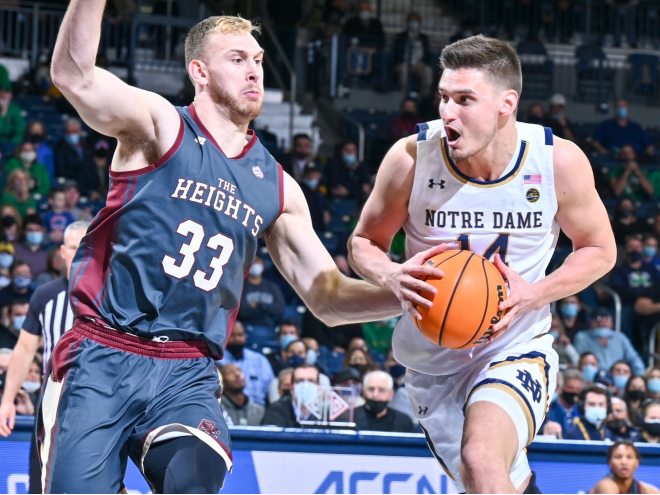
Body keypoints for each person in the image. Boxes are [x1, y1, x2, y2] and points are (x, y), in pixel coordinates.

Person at [25, 12, 401, 493]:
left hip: (187, 371)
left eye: (259, 61)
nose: (254, 71)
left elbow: (326, 297)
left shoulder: (279, 188)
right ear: (199, 72)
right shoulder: (160, 127)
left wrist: (404, 296)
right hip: (102, 353)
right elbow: (74, 75)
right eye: (238, 59)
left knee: (193, 483)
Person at [349, 34, 617, 494]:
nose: (447, 113)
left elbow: (599, 249)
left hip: (515, 346)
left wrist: (535, 292)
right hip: (433, 362)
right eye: (444, 98)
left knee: (481, 457)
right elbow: (363, 242)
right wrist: (391, 274)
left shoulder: (557, 161)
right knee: (490, 480)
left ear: (506, 103)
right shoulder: (411, 157)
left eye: (464, 100)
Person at [0, 222, 87, 493]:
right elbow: (25, 350)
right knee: (41, 484)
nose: (81, 252)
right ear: (62, 252)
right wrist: (7, 400)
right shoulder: (46, 295)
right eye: (74, 247)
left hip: (100, 404)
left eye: (86, 245)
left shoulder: (114, 295)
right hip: (51, 405)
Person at [218, 320, 275, 406]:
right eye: (232, 335)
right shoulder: (216, 360)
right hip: (227, 408)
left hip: (259, 411)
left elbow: (270, 392)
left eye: (240, 335)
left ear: (246, 336)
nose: (237, 339)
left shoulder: (259, 360)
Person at [573, 308, 645, 375]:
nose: (601, 322)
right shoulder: (582, 337)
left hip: (617, 378)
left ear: (611, 322)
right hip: (593, 378)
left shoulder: (620, 337)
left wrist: (640, 376)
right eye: (597, 319)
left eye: (605, 319)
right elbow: (578, 360)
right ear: (591, 321)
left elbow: (633, 358)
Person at [609, 236, 660, 331]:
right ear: (625, 250)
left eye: (638, 247)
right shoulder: (619, 271)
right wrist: (640, 295)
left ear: (642, 249)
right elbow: (618, 289)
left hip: (649, 303)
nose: (635, 250)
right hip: (628, 304)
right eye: (631, 247)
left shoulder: (651, 269)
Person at [237, 255, 286, 332]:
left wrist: (259, 305)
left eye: (258, 261)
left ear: (263, 264)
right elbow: (242, 311)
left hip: (270, 327)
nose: (255, 263)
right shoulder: (240, 286)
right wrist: (266, 309)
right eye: (253, 261)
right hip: (246, 328)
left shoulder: (272, 287)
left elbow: (280, 310)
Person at [590, 441, 660, 494]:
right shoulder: (606, 486)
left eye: (629, 457)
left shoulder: (647, 490)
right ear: (610, 463)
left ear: (637, 462)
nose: (624, 462)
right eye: (618, 457)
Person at [54, 118, 101, 196]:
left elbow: (92, 169)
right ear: (65, 133)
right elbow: (61, 171)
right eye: (69, 132)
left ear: (80, 132)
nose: (72, 135)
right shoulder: (60, 149)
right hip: (72, 187)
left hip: (91, 186)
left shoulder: (86, 147)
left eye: (75, 131)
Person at [393, 14, 433, 96]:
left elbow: (428, 55)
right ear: (408, 23)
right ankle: (403, 94)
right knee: (404, 71)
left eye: (416, 21)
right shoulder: (401, 37)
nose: (414, 23)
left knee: (428, 71)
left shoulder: (423, 38)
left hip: (420, 64)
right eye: (412, 21)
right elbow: (396, 53)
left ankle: (425, 95)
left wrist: (420, 64)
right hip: (405, 63)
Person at [543, 369, 584, 438]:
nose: (574, 392)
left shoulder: (581, 411)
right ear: (562, 387)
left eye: (577, 389)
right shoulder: (550, 408)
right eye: (570, 388)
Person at [13, 214, 48, 278]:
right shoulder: (14, 250)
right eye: (30, 230)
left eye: (37, 230)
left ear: (43, 231)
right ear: (23, 231)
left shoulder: (47, 254)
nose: (34, 233)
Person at [299, 163, 330, 234]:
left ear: (319, 175)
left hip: (319, 229)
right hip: (304, 229)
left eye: (314, 173)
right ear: (304, 175)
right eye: (308, 173)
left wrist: (326, 211)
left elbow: (325, 207)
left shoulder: (320, 190)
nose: (311, 176)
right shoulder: (299, 189)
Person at [0, 79, 25, 150]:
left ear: (10, 95)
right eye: (1, 92)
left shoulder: (15, 109)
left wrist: (11, 146)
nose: (3, 95)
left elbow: (19, 131)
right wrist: (2, 114)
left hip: (11, 145)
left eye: (6, 92)